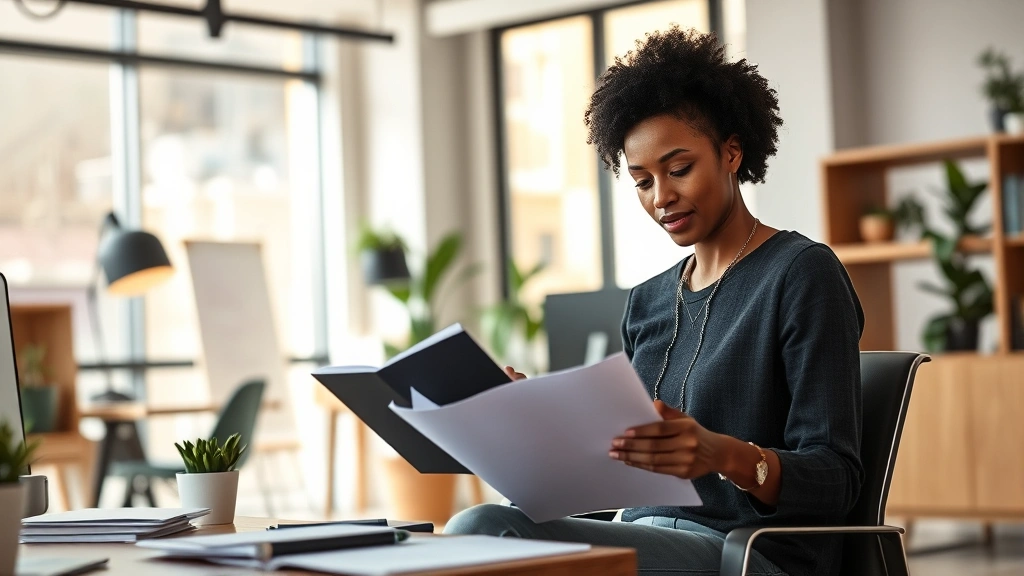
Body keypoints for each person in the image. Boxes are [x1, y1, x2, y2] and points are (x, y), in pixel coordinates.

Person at [444, 26, 864, 576]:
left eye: (679, 169)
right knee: (478, 527)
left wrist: (722, 455)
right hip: (641, 537)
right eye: (642, 181)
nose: (661, 196)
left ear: (732, 153)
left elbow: (838, 479)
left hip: (747, 552)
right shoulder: (646, 303)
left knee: (491, 540)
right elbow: (619, 475)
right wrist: (545, 433)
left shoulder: (801, 274)